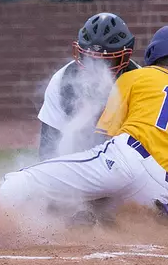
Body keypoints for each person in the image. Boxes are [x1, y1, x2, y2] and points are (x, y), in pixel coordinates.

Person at [0, 25, 168, 224]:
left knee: (27, 179)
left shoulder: (135, 77)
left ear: (154, 52)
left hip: (125, 158)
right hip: (158, 190)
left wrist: (83, 184)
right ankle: (154, 218)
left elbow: (103, 135)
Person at [38, 12, 140, 160]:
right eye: (89, 57)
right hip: (76, 162)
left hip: (123, 163)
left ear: (124, 57)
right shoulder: (62, 80)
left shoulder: (140, 81)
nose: (96, 67)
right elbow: (47, 149)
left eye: (107, 61)